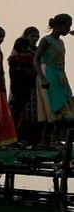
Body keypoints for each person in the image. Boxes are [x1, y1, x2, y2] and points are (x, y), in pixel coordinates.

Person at [34, 13, 74, 148]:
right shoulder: (46, 41)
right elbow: (35, 60)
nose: (68, 30)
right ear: (58, 26)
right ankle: (51, 140)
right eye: (67, 27)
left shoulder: (60, 41)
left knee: (64, 105)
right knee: (54, 108)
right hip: (47, 74)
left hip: (59, 75)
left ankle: (49, 139)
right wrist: (43, 78)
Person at [8, 34, 39, 146]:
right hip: (29, 89)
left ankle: (15, 137)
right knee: (28, 115)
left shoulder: (13, 59)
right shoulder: (29, 57)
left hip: (17, 89)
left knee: (16, 113)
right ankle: (27, 138)